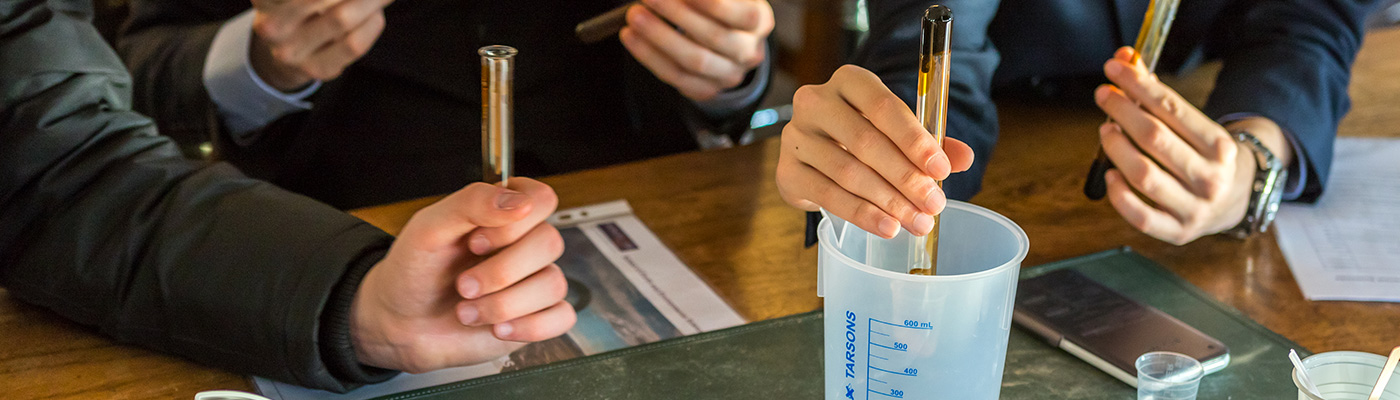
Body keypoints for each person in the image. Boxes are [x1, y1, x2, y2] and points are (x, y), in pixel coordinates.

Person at [1, 0, 575, 392]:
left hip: (622, 198)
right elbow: (64, 139)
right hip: (318, 209)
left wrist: (362, 305)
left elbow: (56, 163)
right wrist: (252, 64)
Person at [776, 0, 1381, 244]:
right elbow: (934, 54)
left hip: (1186, 112)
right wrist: (872, 166)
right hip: (1010, 116)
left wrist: (1253, 161)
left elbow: (1308, 23)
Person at [117, 0, 776, 210]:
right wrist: (260, 63)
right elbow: (134, 67)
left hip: (652, 213)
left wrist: (727, 69)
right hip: (333, 230)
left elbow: (737, 71)